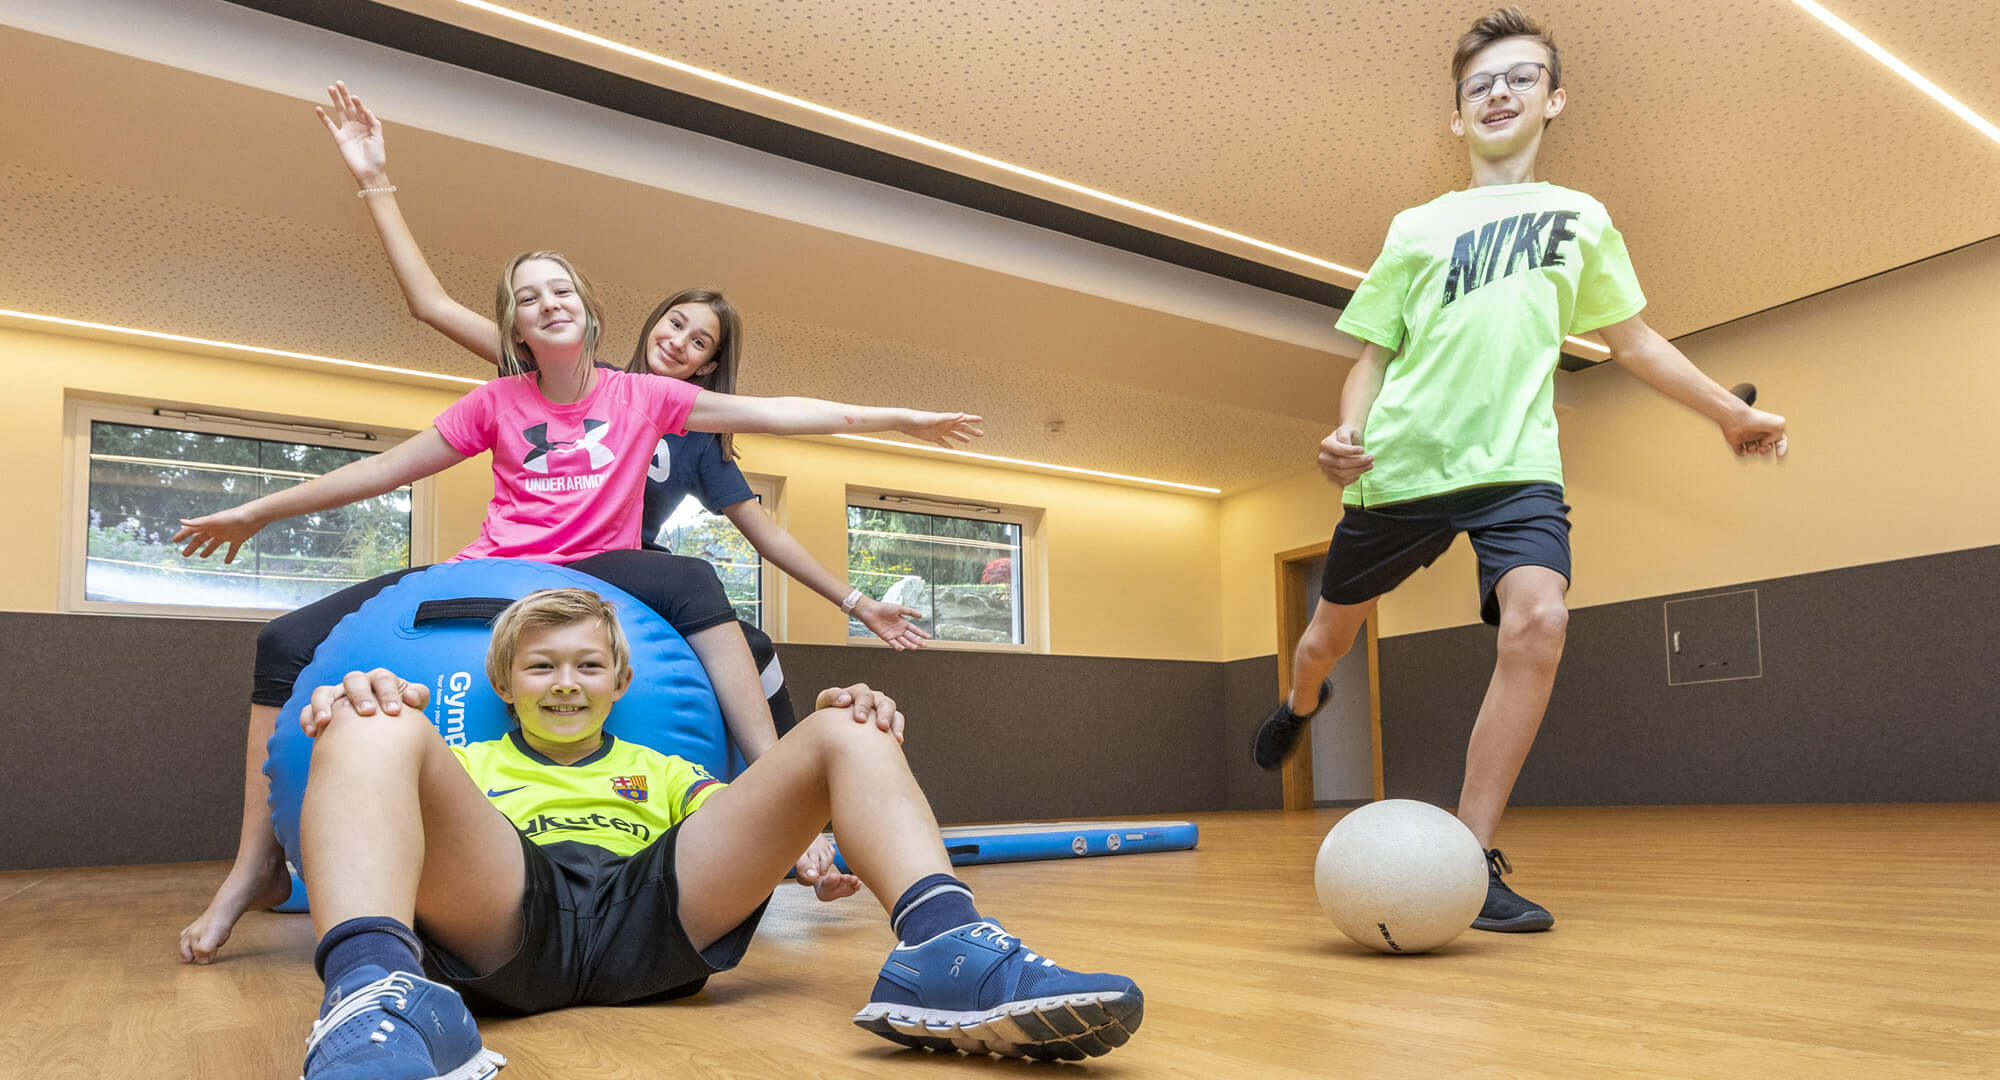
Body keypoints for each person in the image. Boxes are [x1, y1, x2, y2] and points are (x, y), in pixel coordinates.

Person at [175, 239, 980, 964]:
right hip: (493, 566)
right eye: (529, 296)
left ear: (591, 313)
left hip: (597, 569)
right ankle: (255, 865)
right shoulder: (497, 400)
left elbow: (784, 414)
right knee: (281, 642)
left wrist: (899, 419)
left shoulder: (643, 397)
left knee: (696, 580)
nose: (548, 302)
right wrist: (256, 509)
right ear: (515, 328)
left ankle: (782, 796)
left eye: (561, 289)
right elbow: (382, 472)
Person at [1252, 8, 1789, 933]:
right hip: (1401, 468)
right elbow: (1371, 356)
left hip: (1515, 468)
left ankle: (1469, 853)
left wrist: (1729, 414)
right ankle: (1301, 707)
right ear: (1457, 118)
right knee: (1321, 645)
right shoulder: (1416, 227)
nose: (1498, 92)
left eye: (1520, 77)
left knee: (1540, 618)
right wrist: (1346, 432)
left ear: (1554, 98)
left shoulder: (1578, 218)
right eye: (1479, 85)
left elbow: (1633, 341)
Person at [293, 589, 1144, 1077]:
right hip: (513, 911)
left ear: (620, 679)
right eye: (541, 666)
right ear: (504, 683)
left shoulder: (663, 769)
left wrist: (798, 842)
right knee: (370, 720)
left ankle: (950, 951)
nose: (566, 683)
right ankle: (375, 998)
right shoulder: (467, 760)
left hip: (652, 915)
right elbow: (403, 831)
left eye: (588, 665)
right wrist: (365, 714)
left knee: (850, 718)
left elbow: (718, 822)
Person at [313, 82, 934, 655]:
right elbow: (432, 306)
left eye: (699, 342)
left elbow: (769, 533)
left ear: (708, 364)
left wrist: (857, 603)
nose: (679, 342)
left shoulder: (698, 440)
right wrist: (376, 182)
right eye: (675, 322)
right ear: (650, 322)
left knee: (754, 644)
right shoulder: (563, 376)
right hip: (539, 563)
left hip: (630, 575)